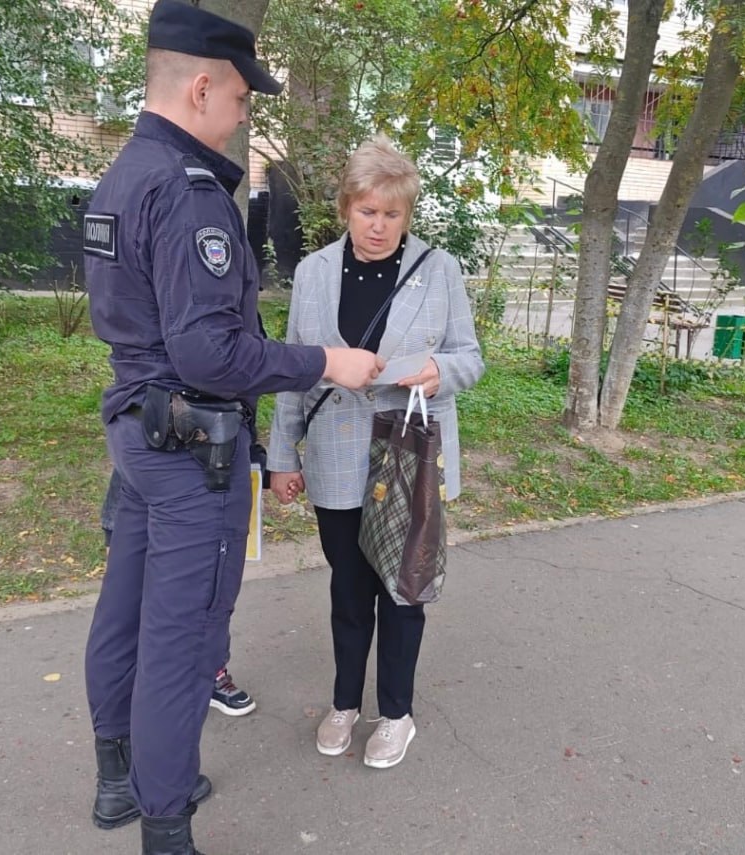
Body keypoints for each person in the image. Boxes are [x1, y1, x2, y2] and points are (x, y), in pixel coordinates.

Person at [80, 2, 383, 852]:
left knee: (125, 612)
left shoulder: (124, 174)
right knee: (180, 641)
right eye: (244, 100)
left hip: (137, 433)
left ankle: (119, 782)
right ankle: (165, 822)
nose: (245, 114)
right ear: (204, 85)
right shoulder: (190, 195)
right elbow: (212, 353)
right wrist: (326, 361)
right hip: (188, 451)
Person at [267, 135, 484, 771]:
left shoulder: (439, 270)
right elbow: (293, 375)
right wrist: (283, 456)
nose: (379, 226)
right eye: (368, 212)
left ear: (407, 214)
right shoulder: (310, 274)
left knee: (403, 589)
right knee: (348, 589)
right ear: (345, 208)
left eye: (393, 213)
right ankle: (343, 703)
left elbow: (471, 358)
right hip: (335, 458)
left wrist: (438, 371)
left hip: (408, 455)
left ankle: (396, 714)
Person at [100, 470, 255, 716]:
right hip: (148, 493)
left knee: (211, 591)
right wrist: (114, 531)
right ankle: (139, 686)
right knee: (135, 603)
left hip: (213, 484)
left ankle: (210, 671)